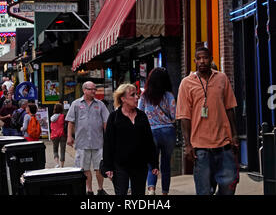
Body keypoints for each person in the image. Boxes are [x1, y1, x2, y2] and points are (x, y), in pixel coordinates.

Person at [176, 46, 239, 195]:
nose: (202, 61)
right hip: (200, 148)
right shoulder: (186, 83)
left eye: (205, 58)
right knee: (204, 191)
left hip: (224, 143)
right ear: (194, 61)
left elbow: (230, 108)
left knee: (229, 186)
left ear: (211, 59)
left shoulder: (222, 78)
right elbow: (184, 116)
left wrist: (235, 135)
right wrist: (188, 145)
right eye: (199, 59)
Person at [102, 83, 159, 196]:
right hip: (120, 165)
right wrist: (108, 166)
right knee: (121, 192)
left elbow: (149, 141)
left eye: (137, 94)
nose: (137, 97)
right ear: (123, 99)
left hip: (139, 164)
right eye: (133, 95)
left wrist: (154, 163)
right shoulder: (114, 117)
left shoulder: (142, 116)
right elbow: (108, 143)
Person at [66, 81, 109, 196]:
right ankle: (89, 190)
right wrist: (69, 137)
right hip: (82, 142)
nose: (94, 91)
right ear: (84, 90)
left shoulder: (100, 104)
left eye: (95, 89)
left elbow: (106, 123)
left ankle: (100, 189)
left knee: (99, 168)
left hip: (98, 142)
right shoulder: (76, 104)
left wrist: (109, 138)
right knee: (84, 169)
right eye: (91, 89)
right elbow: (70, 122)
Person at [138, 67, 176, 195]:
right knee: (166, 163)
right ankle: (165, 192)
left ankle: (151, 189)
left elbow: (139, 112)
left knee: (151, 163)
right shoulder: (169, 95)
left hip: (151, 131)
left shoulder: (144, 95)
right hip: (168, 131)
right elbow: (174, 115)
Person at [50, 103, 67, 168]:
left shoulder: (52, 118)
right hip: (62, 134)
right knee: (62, 150)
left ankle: (57, 164)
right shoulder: (63, 116)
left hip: (54, 135)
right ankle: (62, 165)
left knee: (55, 150)